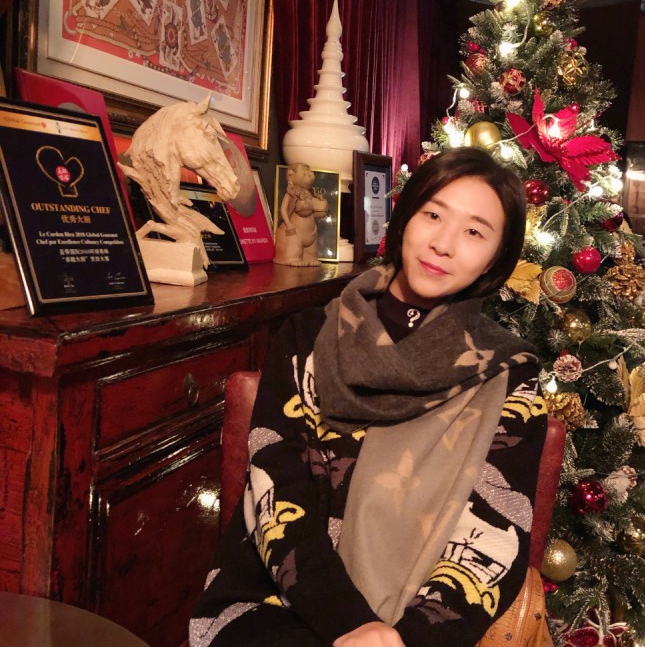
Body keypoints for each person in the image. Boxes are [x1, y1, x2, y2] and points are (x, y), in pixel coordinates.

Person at [190, 147, 548, 647]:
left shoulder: (508, 374)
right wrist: (350, 622)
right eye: (433, 215)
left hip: (420, 625)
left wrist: (406, 638)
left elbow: (496, 531)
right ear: (405, 218)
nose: (443, 244)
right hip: (277, 600)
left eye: (474, 232)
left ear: (497, 256)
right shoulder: (307, 337)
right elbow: (278, 488)